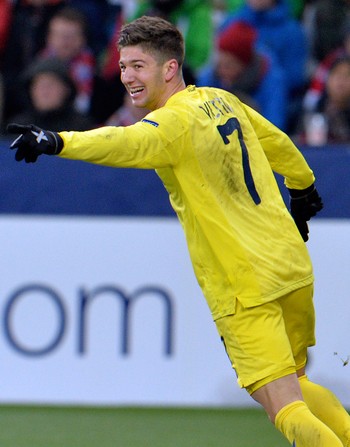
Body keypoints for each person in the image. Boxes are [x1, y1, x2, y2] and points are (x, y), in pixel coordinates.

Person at [6, 15, 350, 447]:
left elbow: (124, 143)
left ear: (169, 69)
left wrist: (59, 142)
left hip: (245, 283)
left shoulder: (173, 123)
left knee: (284, 406)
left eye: (137, 65)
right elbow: (278, 142)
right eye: (123, 65)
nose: (126, 76)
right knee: (295, 382)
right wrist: (302, 189)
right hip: (291, 266)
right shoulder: (223, 101)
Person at [197, 20, 288, 130]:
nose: (222, 70)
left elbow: (274, 127)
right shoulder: (210, 79)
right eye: (219, 64)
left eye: (228, 66)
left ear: (244, 65)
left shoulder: (270, 81)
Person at [6, 57, 95, 131]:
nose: (45, 91)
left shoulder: (82, 128)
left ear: (67, 90)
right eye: (39, 85)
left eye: (51, 84)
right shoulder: (17, 127)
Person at [296, 56, 350, 146]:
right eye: (336, 74)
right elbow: (298, 141)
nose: (341, 80)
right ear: (328, 79)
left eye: (347, 75)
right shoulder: (314, 109)